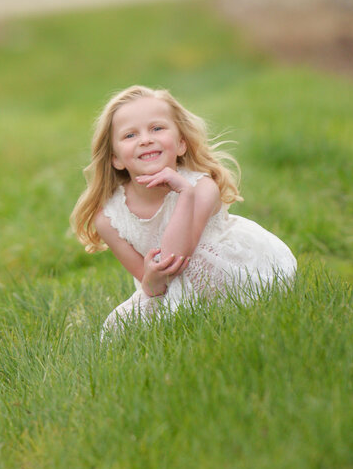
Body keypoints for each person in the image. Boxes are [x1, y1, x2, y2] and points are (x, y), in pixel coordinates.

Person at [70, 85, 296, 333]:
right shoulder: (110, 219)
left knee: (204, 274)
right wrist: (152, 278)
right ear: (116, 159)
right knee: (117, 328)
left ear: (180, 144)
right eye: (130, 135)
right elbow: (153, 288)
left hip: (226, 268)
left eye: (157, 128)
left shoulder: (201, 189)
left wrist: (185, 193)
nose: (146, 139)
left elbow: (176, 257)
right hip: (168, 285)